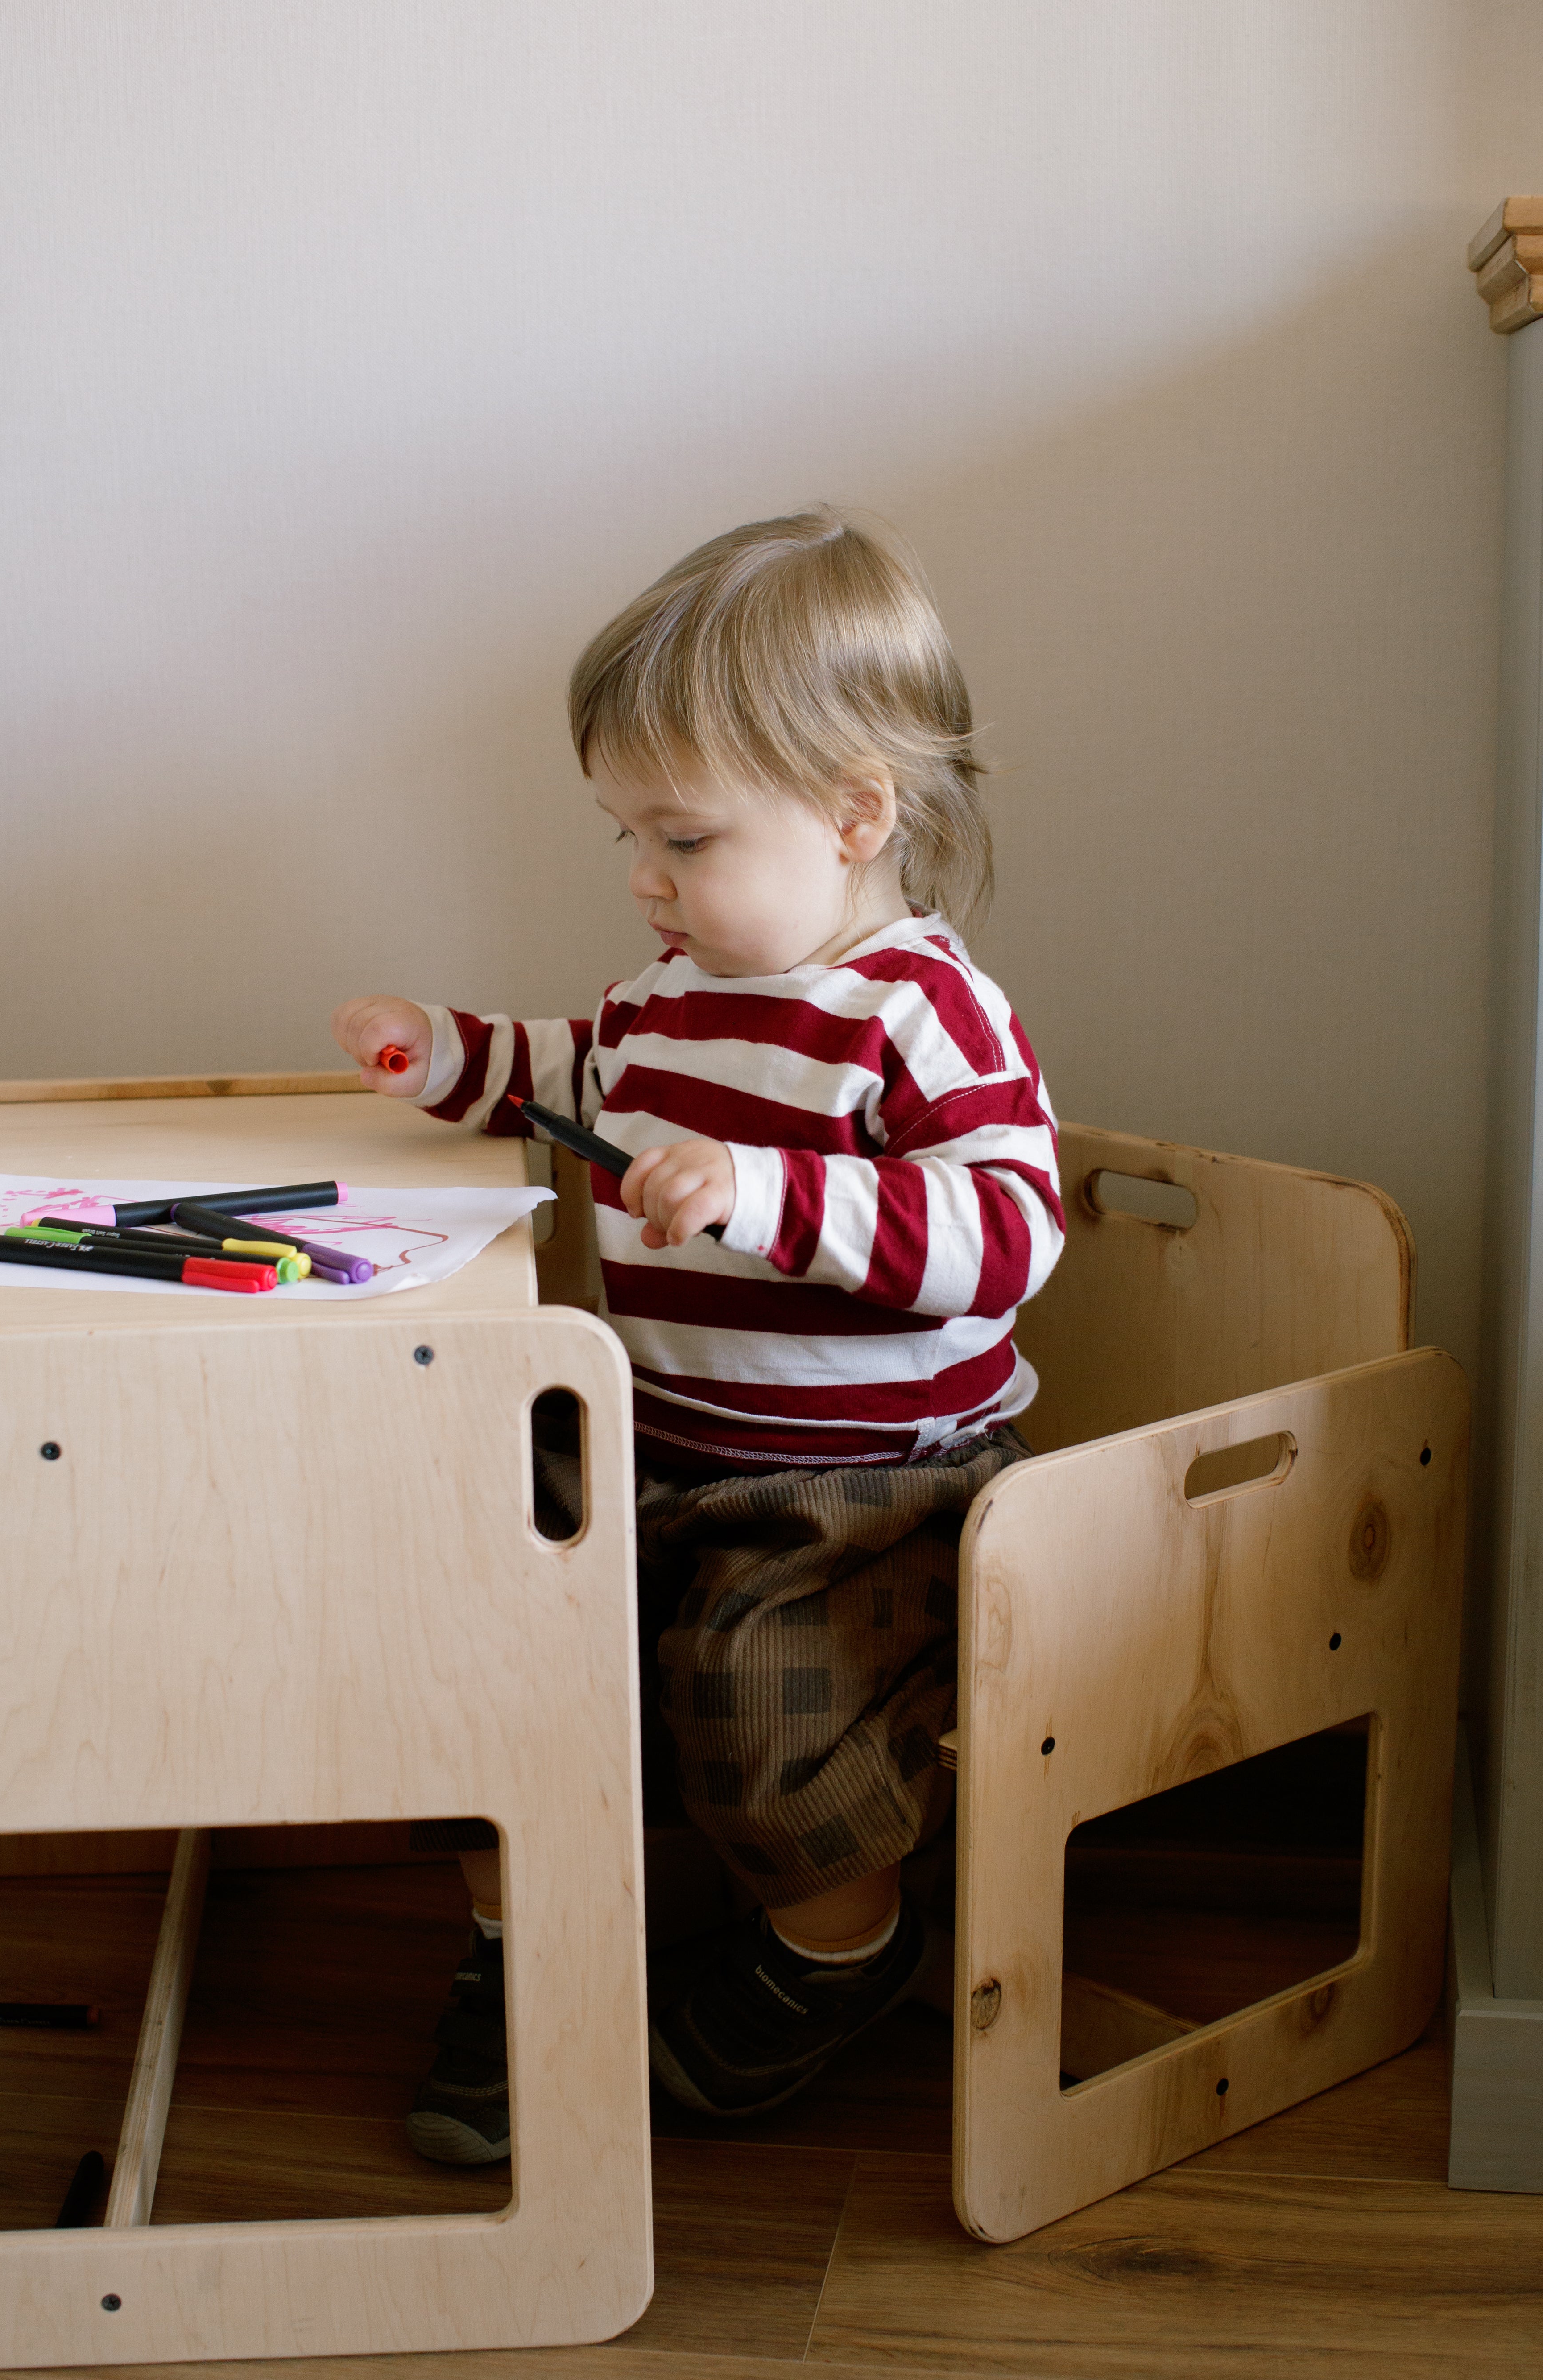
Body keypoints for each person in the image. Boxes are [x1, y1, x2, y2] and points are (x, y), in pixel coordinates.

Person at [332, 506, 1064, 2162]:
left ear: (856, 815)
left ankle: (839, 1953)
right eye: (628, 838)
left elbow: (1010, 1233)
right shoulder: (666, 996)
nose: (645, 879)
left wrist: (765, 1191)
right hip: (661, 1446)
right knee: (472, 1593)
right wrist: (441, 1054)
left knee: (757, 1692)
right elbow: (571, 1072)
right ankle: (524, 1938)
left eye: (683, 838)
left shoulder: (917, 1010)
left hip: (871, 1486)